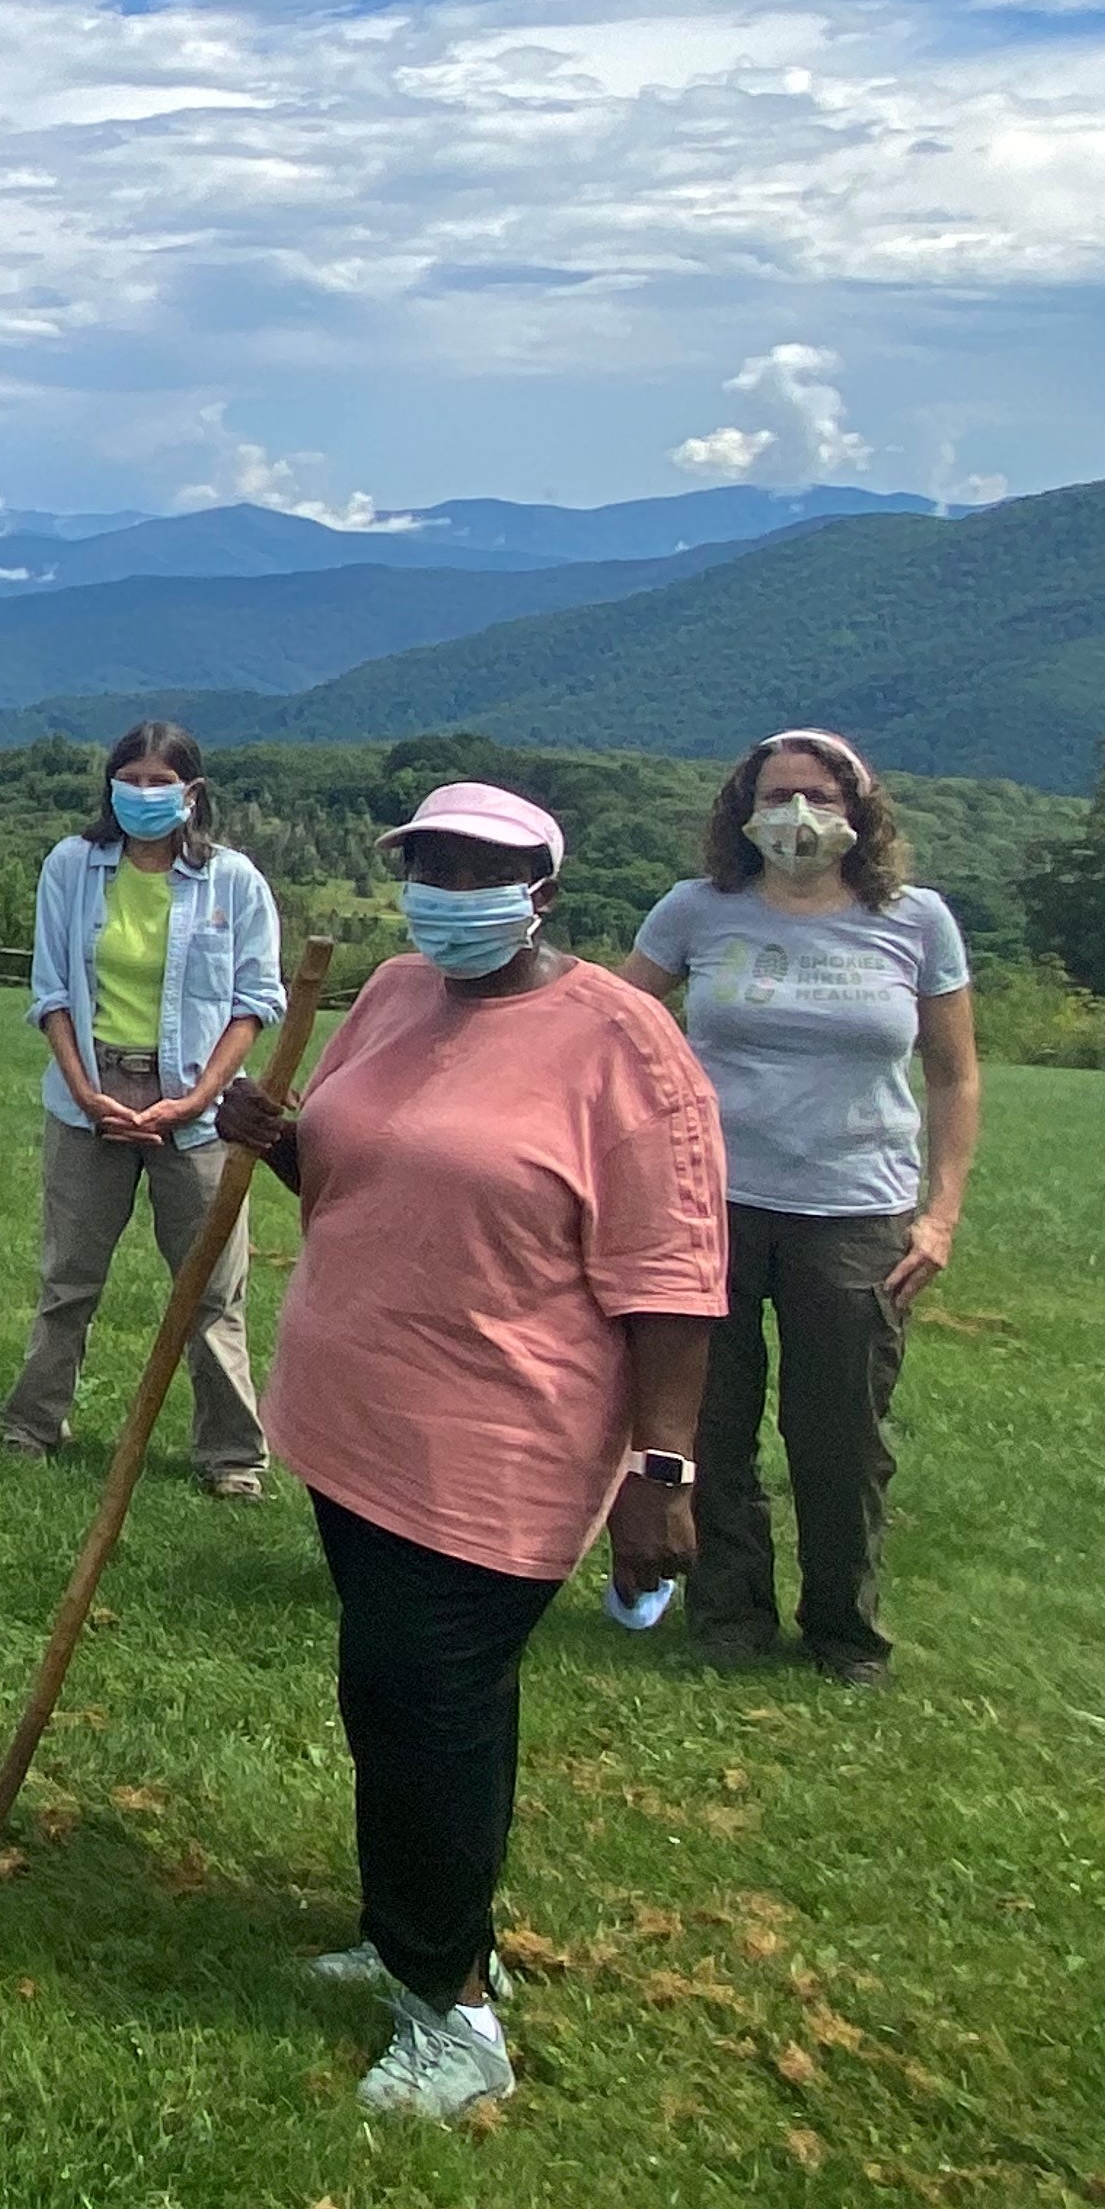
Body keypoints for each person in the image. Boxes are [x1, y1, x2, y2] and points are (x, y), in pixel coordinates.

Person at [219, 781, 724, 2123]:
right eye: (428, 863)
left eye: (478, 867)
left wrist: (662, 1474)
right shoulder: (390, 994)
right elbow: (359, 1178)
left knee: (434, 1710)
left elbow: (673, 1280)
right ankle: (411, 1933)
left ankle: (457, 2016)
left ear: (543, 887)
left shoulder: (623, 1043)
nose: (447, 888)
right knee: (388, 1695)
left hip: (500, 1440)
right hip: (356, 1415)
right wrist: (278, 1146)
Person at [621, 730, 979, 1689]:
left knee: (842, 1438)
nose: (798, 816)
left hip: (858, 1214)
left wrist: (940, 1213)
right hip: (710, 1206)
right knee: (712, 1426)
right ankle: (727, 1617)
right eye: (777, 796)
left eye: (819, 796)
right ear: (743, 811)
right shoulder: (698, 911)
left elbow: (954, 1075)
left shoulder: (917, 921)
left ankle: (844, 1633)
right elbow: (612, 1025)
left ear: (861, 811)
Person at [0, 722, 286, 1497]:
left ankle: (232, 1458)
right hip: (88, 1101)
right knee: (68, 1278)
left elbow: (256, 1001)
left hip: (197, 1113)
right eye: (132, 777)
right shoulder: (72, 866)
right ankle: (32, 1425)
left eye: (163, 781)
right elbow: (51, 988)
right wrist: (86, 1091)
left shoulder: (233, 882)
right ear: (110, 785)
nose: (144, 793)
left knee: (210, 1290)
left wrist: (195, 1100)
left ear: (192, 793)